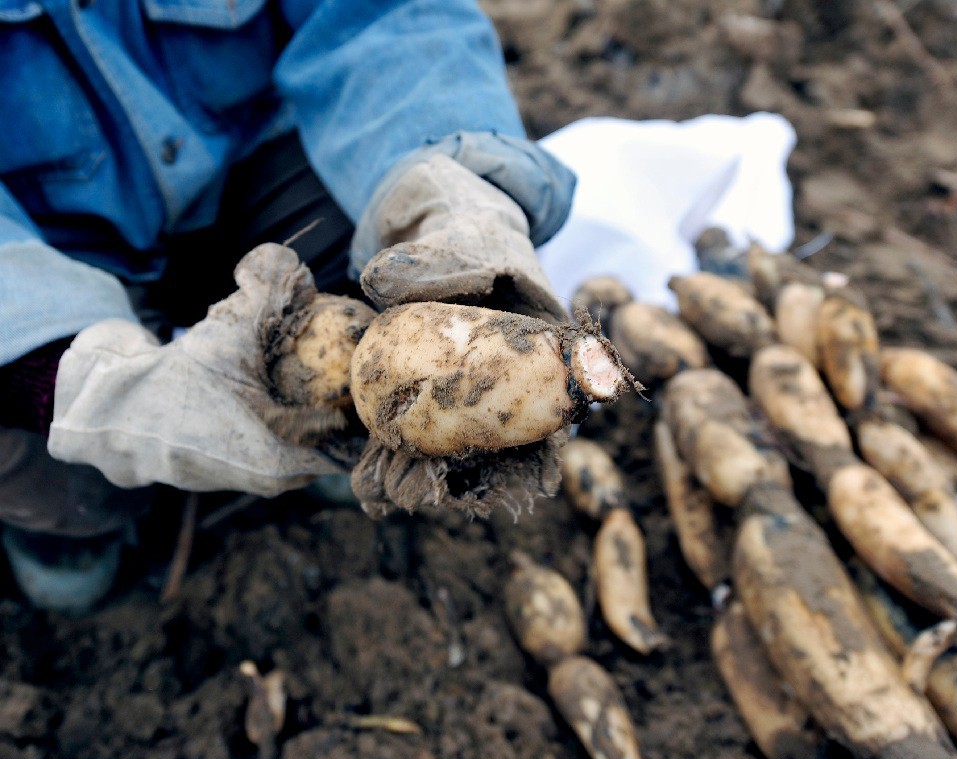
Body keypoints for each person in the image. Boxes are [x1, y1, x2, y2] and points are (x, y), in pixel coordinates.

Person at [0, 0, 576, 612]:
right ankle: (73, 521)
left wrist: (451, 178)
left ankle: (343, 430)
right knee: (63, 466)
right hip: (44, 259)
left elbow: (385, 16)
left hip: (255, 181)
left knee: (382, 266)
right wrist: (60, 375)